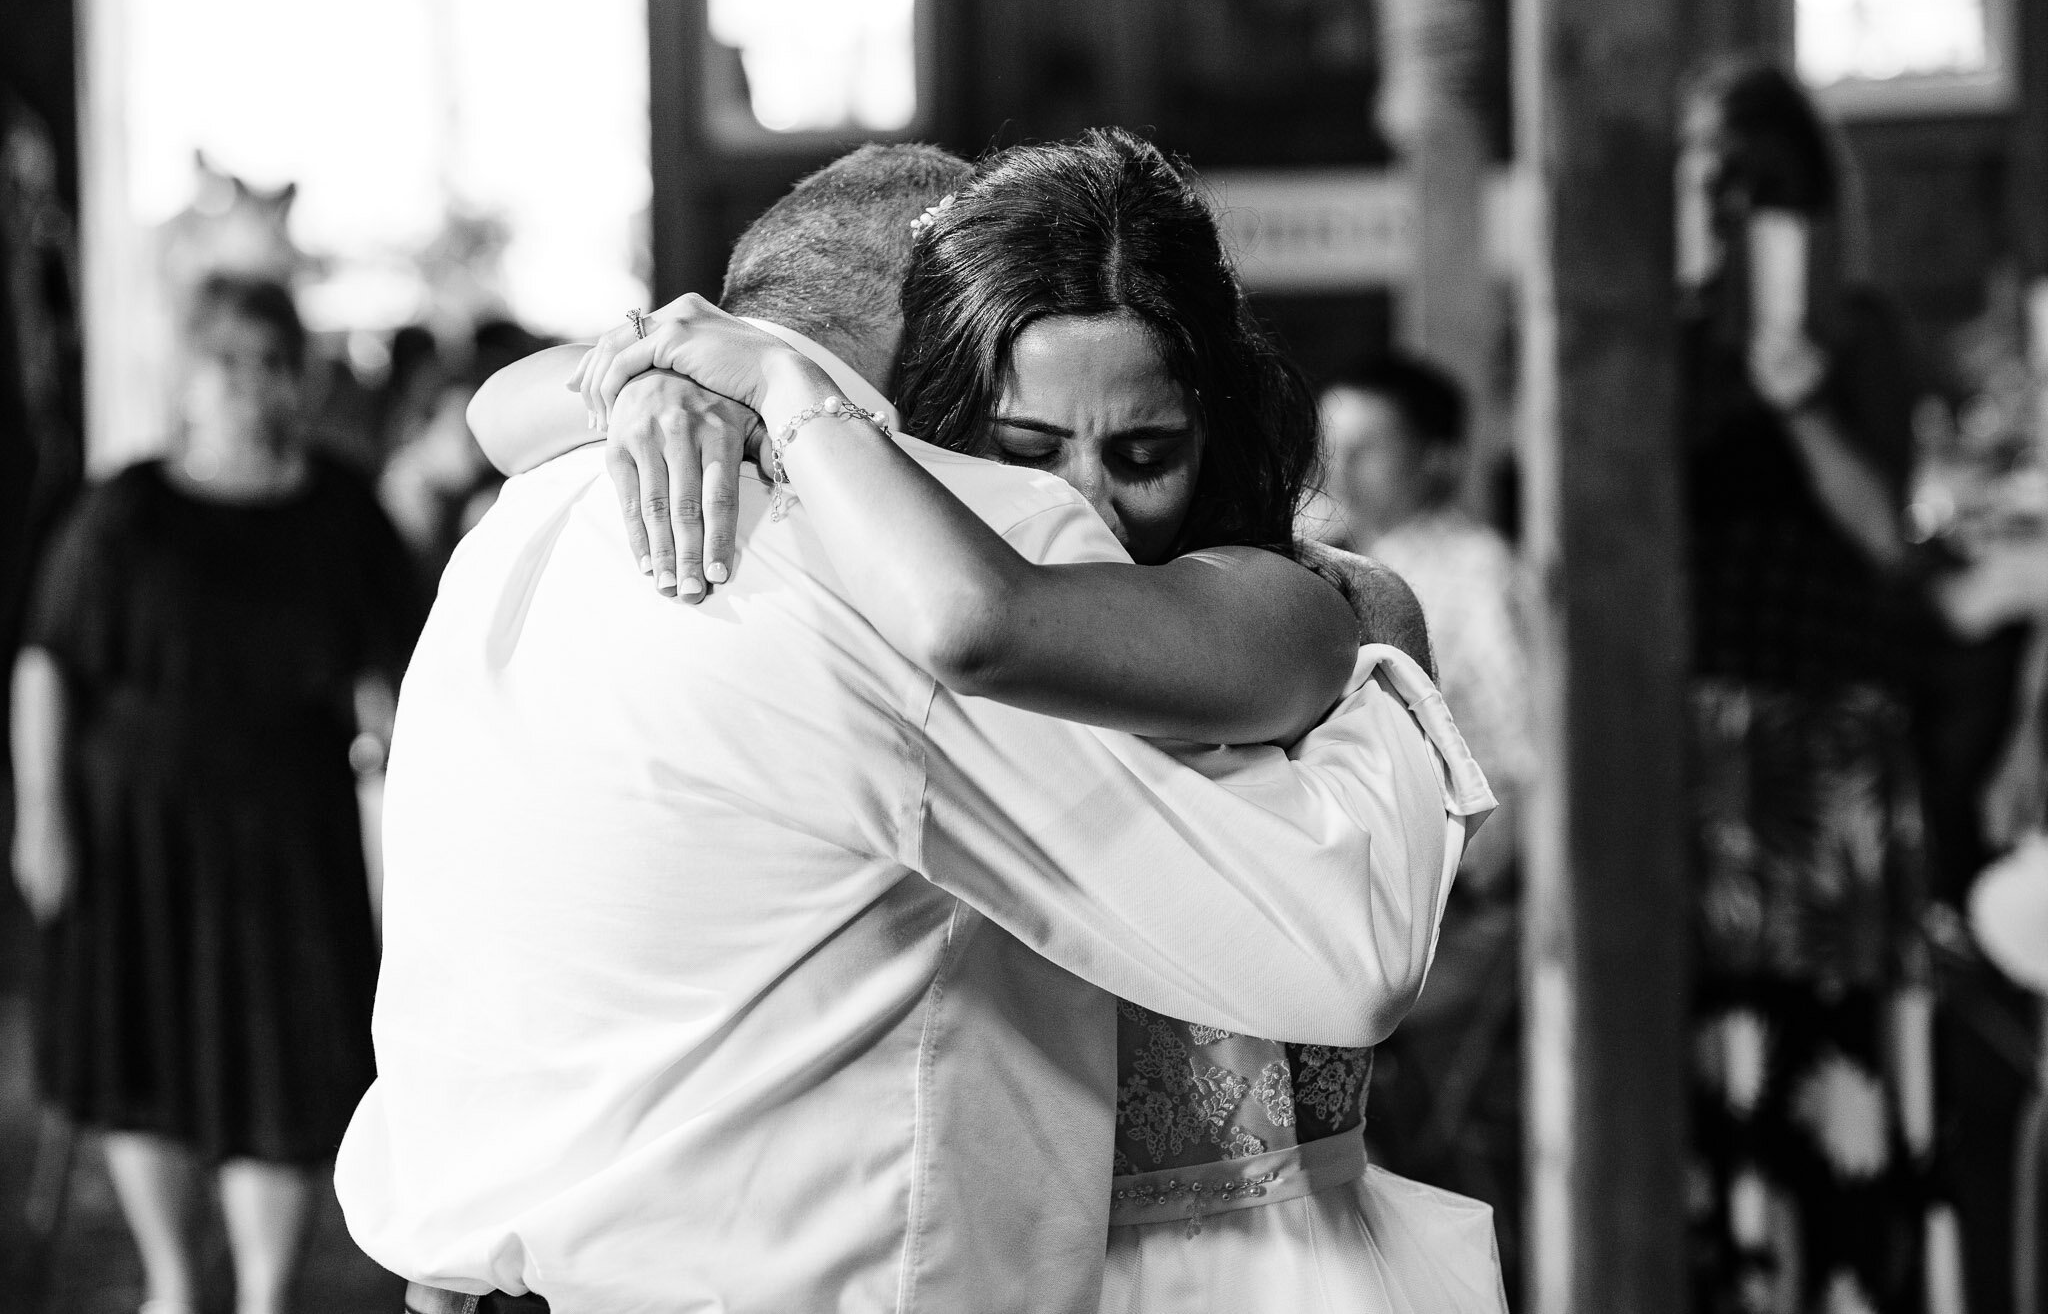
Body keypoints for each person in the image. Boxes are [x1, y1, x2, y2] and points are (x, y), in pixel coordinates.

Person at [343, 139, 1496, 1314]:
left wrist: (696, 377)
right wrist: (729, 387)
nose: (1075, 498)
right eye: (1021, 444)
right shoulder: (903, 554)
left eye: (1142, 453)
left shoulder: (531, 518)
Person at [10, 275, 420, 1314]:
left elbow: (405, 677)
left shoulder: (340, 507)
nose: (250, 384)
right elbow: (47, 663)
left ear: (300, 378)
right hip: (132, 832)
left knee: (285, 1055)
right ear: (186, 380)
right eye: (226, 362)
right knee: (134, 1039)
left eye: (271, 361)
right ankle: (174, 1281)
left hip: (291, 832)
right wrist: (42, 817)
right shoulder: (127, 508)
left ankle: (267, 1292)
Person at [1676, 59, 1952, 1313]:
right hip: (1695, 738)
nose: (1733, 201)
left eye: (1755, 177)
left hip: (1825, 729)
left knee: (1832, 1045)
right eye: (1708, 174)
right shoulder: (1649, 341)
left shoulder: (1864, 329)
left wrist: (1798, 400)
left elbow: (1886, 538)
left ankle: (1844, 1284)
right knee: (1711, 1043)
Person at [1316, 351, 1535, 1297]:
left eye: (1370, 447)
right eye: (1333, 445)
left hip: (1455, 910)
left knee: (1418, 1136)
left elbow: (1524, 764)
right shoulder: (1328, 563)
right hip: (1359, 903)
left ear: (1439, 459)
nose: (1342, 469)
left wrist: (1456, 893)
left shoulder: (1474, 572)